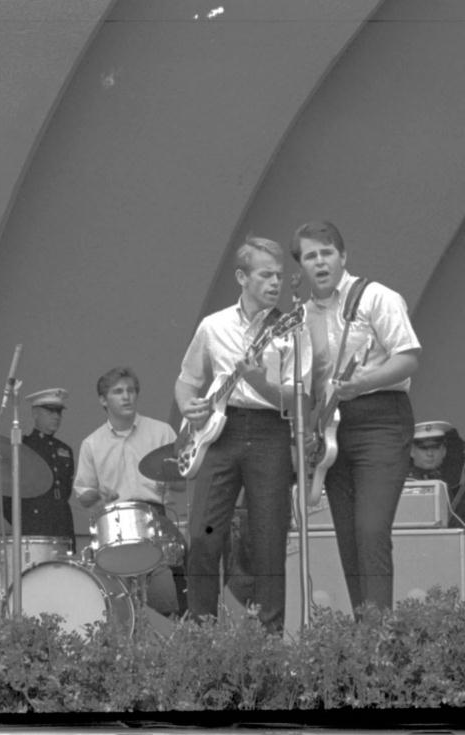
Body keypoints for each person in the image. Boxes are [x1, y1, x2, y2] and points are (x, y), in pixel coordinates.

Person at [175, 236, 310, 634]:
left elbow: (298, 399)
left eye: (280, 276)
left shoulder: (291, 329)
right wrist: (187, 406)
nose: (275, 283)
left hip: (270, 433)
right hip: (221, 432)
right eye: (265, 275)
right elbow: (186, 381)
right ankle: (202, 631)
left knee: (267, 540)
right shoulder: (213, 326)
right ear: (241, 276)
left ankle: (269, 636)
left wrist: (260, 382)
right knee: (202, 535)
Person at [292, 219, 421, 615]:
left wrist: (364, 382)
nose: (320, 262)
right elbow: (308, 384)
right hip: (332, 428)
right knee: (348, 537)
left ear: (343, 256)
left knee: (371, 530)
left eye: (327, 252)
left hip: (381, 418)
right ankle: (366, 629)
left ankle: (381, 635)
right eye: (310, 256)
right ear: (302, 267)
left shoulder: (376, 297)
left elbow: (408, 358)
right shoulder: (300, 317)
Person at [74, 366, 185, 615]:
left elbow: (182, 484)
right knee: (116, 601)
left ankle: (178, 622)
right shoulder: (92, 444)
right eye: (118, 392)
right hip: (113, 522)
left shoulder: (162, 432)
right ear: (103, 400)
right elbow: (83, 495)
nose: (127, 397)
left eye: (131, 391)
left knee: (176, 582)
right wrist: (98, 494)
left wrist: (168, 478)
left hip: (155, 516)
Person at [2, 388, 77, 550]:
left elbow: (65, 491)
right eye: (50, 411)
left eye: (59, 412)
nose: (56, 417)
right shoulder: (22, 448)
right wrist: (25, 522)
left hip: (62, 526)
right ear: (35, 413)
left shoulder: (64, 450)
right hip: (34, 526)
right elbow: (6, 498)